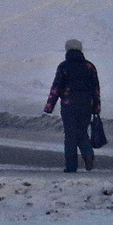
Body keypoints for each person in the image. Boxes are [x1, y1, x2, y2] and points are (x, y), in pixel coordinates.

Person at [43, 39, 101, 173]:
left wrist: (49, 105)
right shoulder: (89, 66)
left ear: (67, 50)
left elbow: (56, 87)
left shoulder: (64, 66)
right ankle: (88, 154)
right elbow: (96, 88)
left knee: (70, 134)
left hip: (68, 104)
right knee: (82, 131)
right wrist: (96, 106)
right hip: (86, 104)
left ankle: (71, 166)